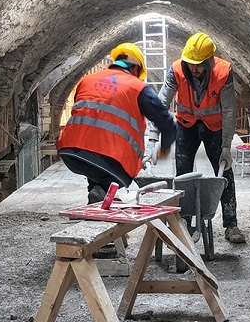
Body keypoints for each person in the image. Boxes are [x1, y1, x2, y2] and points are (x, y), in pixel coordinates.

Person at [57, 43, 177, 204]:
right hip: (110, 164)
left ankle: (98, 194)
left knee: (95, 155)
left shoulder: (86, 80)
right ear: (136, 69)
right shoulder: (137, 87)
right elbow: (167, 123)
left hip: (70, 154)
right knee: (118, 162)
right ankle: (101, 192)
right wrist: (164, 148)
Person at [159, 32, 245, 243]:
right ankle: (185, 221)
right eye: (191, 64)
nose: (194, 68)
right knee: (183, 174)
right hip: (186, 124)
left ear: (209, 61)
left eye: (199, 64)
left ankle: (231, 224)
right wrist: (153, 135)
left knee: (224, 172)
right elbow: (161, 103)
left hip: (213, 126)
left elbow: (229, 111)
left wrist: (226, 146)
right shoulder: (177, 70)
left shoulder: (224, 73)